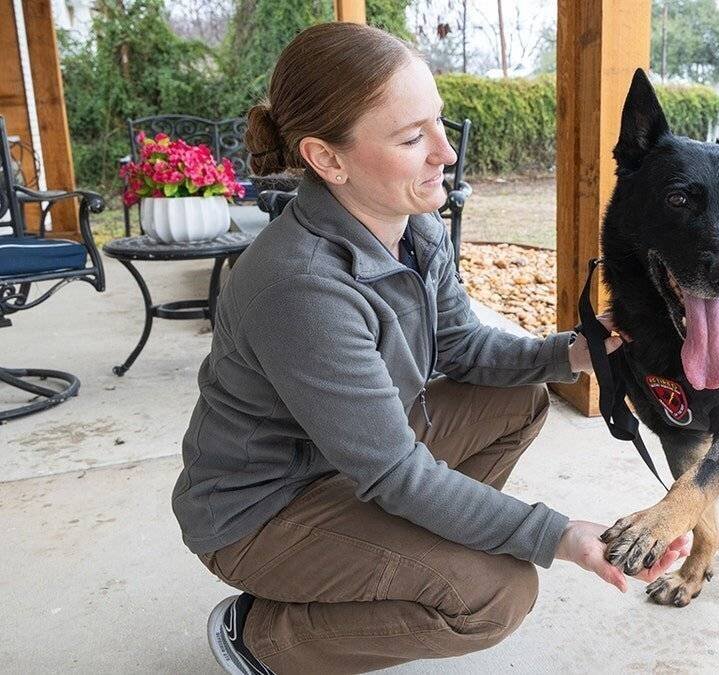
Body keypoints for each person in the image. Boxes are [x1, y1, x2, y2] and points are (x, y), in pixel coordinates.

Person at [171, 22, 687, 675]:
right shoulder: (300, 286)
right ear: (328, 159)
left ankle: (405, 550)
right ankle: (264, 638)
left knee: (519, 398)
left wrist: (578, 351)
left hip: (346, 463)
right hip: (263, 509)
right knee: (498, 594)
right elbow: (394, 473)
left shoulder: (414, 227)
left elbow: (462, 347)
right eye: (413, 137)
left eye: (437, 123)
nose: (444, 151)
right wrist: (562, 534)